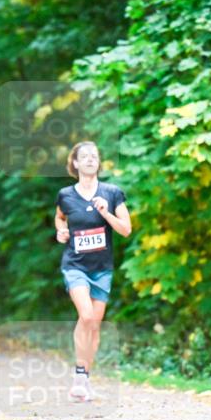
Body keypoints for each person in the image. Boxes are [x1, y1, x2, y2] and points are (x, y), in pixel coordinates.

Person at [54, 141, 131, 401]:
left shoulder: (112, 193)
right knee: (86, 316)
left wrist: (106, 213)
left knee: (94, 326)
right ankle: (78, 374)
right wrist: (60, 231)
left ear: (99, 162)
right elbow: (60, 217)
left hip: (102, 269)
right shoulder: (65, 194)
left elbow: (125, 229)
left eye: (94, 156)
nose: (89, 159)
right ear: (75, 163)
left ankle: (84, 380)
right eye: (83, 156)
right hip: (75, 265)